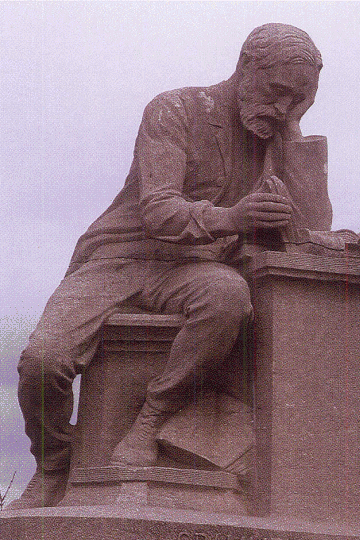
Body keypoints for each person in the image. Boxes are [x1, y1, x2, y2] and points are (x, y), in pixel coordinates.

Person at [8, 23, 332, 509]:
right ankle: (54, 461)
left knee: (228, 297)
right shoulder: (175, 109)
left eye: (299, 100)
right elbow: (158, 210)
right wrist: (232, 218)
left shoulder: (277, 136)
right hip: (121, 256)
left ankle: (152, 419)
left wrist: (293, 135)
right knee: (43, 360)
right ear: (246, 66)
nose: (283, 107)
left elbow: (312, 231)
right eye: (277, 91)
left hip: (194, 268)